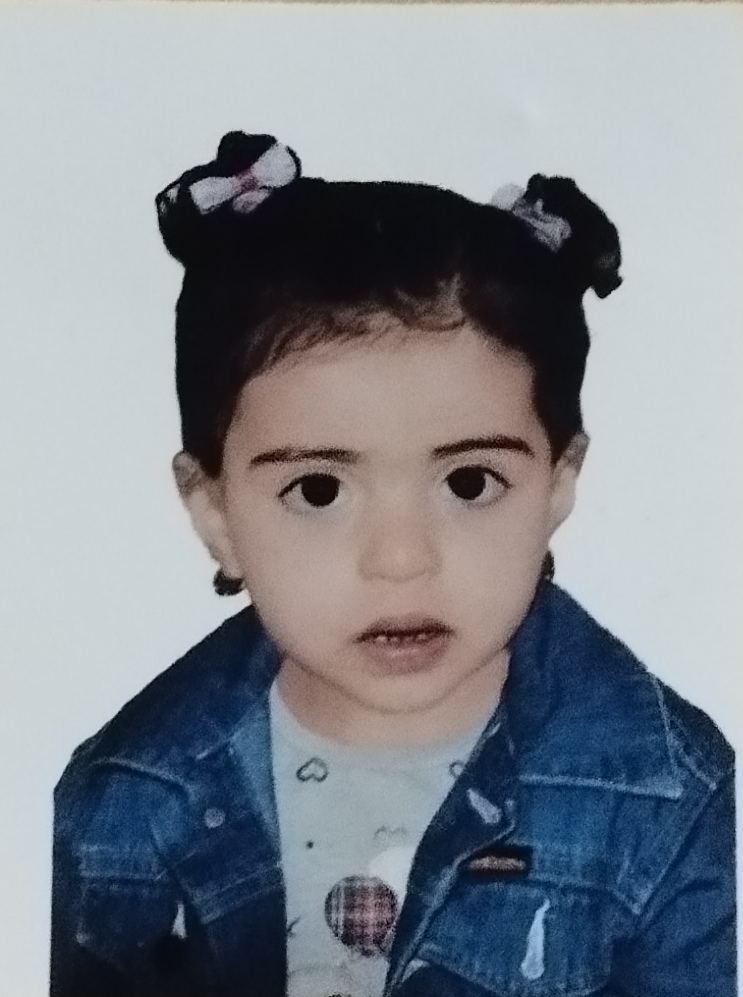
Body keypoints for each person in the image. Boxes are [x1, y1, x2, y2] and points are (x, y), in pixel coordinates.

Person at [50, 132, 735, 997]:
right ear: (214, 512)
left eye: (469, 481)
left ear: (557, 482)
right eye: (318, 490)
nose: (402, 559)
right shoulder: (124, 797)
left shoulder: (667, 795)